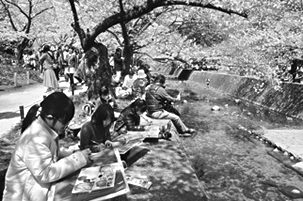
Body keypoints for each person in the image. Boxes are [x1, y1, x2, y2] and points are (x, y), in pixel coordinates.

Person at [2, 92, 92, 201]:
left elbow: (54, 153)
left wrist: (73, 153)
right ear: (50, 117)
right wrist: (77, 159)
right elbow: (45, 172)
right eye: (64, 123)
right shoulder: (35, 137)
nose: (66, 127)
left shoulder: (46, 130)